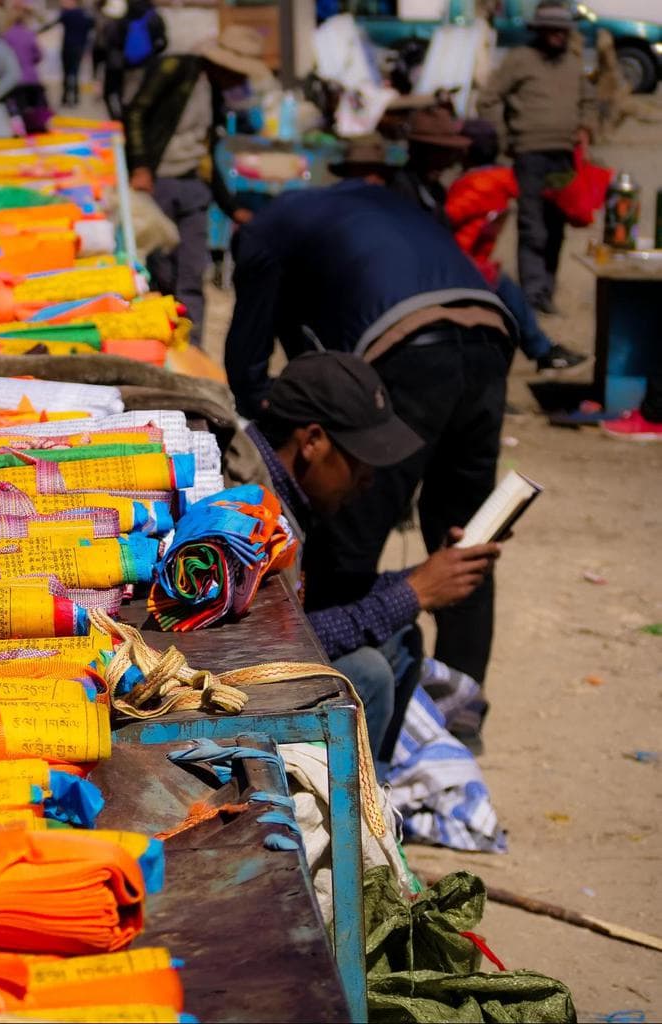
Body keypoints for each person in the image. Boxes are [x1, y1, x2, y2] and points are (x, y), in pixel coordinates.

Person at [224, 170, 514, 706]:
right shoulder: (367, 204)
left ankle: (430, 706)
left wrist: (287, 420)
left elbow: (247, 369)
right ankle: (459, 705)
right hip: (491, 331)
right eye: (361, 463)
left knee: (354, 552)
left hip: (408, 346)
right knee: (467, 534)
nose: (369, 477)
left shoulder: (264, 233)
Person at [246, 352, 501, 765]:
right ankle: (358, 819)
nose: (369, 479)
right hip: (241, 685)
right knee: (366, 671)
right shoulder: (252, 511)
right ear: (312, 442)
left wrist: (424, 578)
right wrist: (412, 594)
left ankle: (374, 787)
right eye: (360, 461)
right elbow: (280, 644)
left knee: (400, 639)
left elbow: (299, 612)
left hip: (269, 653)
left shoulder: (287, 490)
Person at [124, 26, 269, 347]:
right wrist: (141, 166)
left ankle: (194, 351)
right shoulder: (176, 69)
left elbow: (206, 151)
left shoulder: (217, 93)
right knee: (160, 273)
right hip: (157, 183)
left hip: (194, 186)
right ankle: (162, 343)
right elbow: (135, 111)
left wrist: (231, 207)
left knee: (191, 274)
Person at [476, 0, 595, 316]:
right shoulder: (520, 60)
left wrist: (585, 127)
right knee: (533, 227)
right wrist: (504, 138)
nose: (558, 35)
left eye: (563, 30)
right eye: (553, 30)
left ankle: (547, 292)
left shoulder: (572, 63)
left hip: (565, 158)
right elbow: (487, 100)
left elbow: (589, 102)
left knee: (557, 227)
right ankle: (532, 295)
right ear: (540, 31)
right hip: (529, 155)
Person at [444, 117, 587, 370]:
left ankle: (541, 350)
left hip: (458, 267)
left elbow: (445, 217)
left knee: (504, 287)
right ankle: (542, 350)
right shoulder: (497, 179)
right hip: (473, 263)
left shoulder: (477, 185)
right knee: (508, 289)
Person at [101, 0, 166, 120]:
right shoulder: (154, 16)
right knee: (143, 93)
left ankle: (122, 120)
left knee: (123, 94)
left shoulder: (124, 14)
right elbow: (163, 42)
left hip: (124, 63)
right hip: (148, 62)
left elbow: (111, 40)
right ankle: (140, 120)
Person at [0, 7, 50, 132]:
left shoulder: (6, 36)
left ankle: (21, 131)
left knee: (18, 109)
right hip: (32, 78)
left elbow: (1, 59)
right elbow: (39, 55)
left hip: (14, 80)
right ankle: (38, 130)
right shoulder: (29, 34)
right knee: (36, 108)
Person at [50, 0, 94, 107]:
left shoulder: (67, 14)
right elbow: (91, 29)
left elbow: (52, 24)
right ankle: (75, 98)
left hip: (68, 47)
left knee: (67, 73)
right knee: (75, 73)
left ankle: (65, 98)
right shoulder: (85, 15)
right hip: (79, 48)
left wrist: (36, 32)